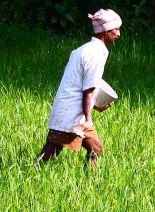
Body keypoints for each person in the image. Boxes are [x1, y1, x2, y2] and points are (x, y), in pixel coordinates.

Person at [37, 9, 122, 166]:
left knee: (95, 148)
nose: (118, 33)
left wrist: (96, 106)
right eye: (115, 29)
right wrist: (89, 119)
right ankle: (33, 171)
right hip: (71, 114)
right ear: (105, 31)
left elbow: (82, 84)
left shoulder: (83, 49)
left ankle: (92, 184)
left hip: (69, 109)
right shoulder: (96, 54)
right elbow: (88, 90)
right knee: (51, 152)